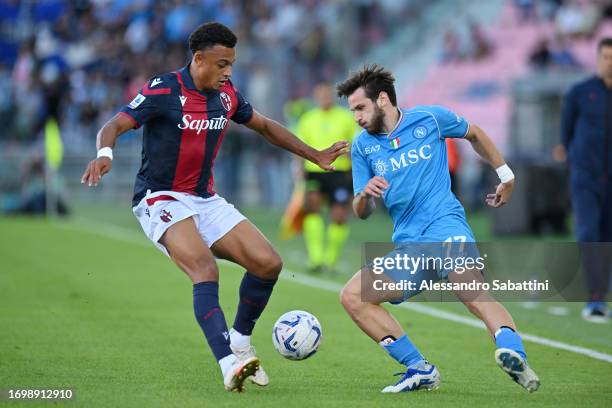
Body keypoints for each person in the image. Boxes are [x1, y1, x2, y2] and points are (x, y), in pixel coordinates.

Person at [80, 22, 348, 392]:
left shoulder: (227, 96)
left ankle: (240, 339)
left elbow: (267, 127)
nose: (228, 72)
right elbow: (113, 124)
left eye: (231, 64)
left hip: (205, 198)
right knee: (205, 270)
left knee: (268, 263)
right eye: (222, 64)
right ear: (199, 58)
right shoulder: (164, 89)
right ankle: (228, 364)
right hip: (161, 197)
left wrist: (314, 154)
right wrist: (104, 153)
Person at [336, 65, 540, 393]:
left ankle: (513, 353)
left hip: (445, 226)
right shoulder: (362, 147)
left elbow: (474, 133)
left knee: (471, 292)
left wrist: (505, 174)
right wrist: (364, 195)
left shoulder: (429, 119)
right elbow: (361, 212)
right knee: (352, 296)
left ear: (383, 99)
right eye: (353, 111)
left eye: (360, 107)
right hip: (409, 246)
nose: (356, 117)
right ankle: (420, 369)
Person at [561, 37, 612, 323]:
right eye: (606, 56)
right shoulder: (580, 92)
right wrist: (577, 161)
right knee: (588, 234)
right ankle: (595, 298)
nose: (610, 62)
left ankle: (601, 293)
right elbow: (566, 135)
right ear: (598, 58)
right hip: (585, 177)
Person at [295, 83, 358, 273]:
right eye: (320, 95)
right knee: (312, 209)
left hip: (339, 173)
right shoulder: (307, 119)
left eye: (327, 95)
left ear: (332, 97)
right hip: (314, 171)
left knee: (339, 216)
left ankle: (330, 260)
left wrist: (355, 168)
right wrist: (298, 168)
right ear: (315, 98)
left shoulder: (346, 118)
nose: (324, 98)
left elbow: (356, 145)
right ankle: (316, 258)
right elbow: (299, 145)